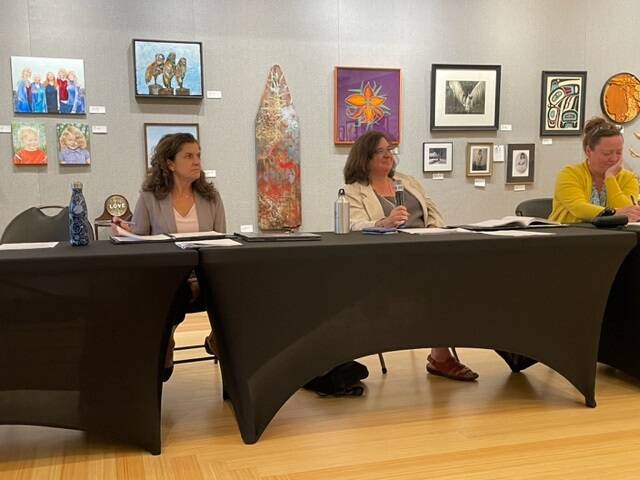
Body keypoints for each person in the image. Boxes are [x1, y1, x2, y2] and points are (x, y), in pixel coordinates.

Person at [343, 130, 478, 381]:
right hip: (387, 258)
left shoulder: (407, 181)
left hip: (425, 251)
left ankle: (448, 354)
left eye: (390, 150)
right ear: (365, 157)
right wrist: (385, 221)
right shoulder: (354, 190)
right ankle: (440, 357)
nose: (388, 155)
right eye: (380, 151)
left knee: (462, 278)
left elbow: (433, 210)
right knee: (437, 285)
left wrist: (433, 232)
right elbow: (354, 225)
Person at [112, 133, 226, 381]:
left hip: (207, 274)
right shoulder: (149, 198)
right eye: (188, 156)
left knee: (234, 287)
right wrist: (123, 229)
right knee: (176, 290)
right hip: (170, 276)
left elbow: (221, 242)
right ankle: (166, 342)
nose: (197, 161)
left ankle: (217, 339)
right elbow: (141, 236)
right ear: (170, 163)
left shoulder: (211, 197)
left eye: (198, 155)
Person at [549, 117, 640, 223]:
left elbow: (629, 214)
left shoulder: (628, 178)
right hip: (568, 235)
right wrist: (614, 213)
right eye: (607, 154)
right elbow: (579, 208)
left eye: (619, 152)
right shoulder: (570, 174)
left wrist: (610, 178)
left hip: (614, 237)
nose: (614, 159)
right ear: (588, 151)